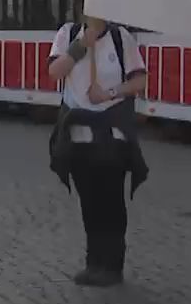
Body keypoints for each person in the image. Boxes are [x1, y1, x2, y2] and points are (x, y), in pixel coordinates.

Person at [45, 15, 149, 287]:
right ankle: (94, 262)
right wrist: (82, 45)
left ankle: (113, 265)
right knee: (89, 200)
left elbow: (139, 81)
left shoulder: (120, 37)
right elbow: (55, 71)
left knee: (111, 199)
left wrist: (109, 93)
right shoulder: (68, 35)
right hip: (78, 132)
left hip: (111, 132)